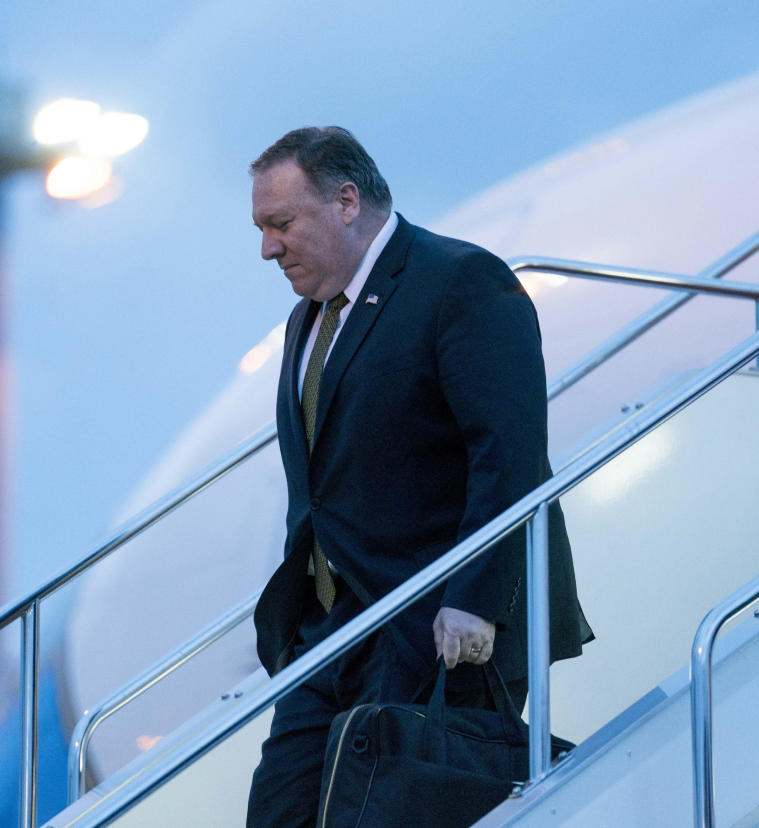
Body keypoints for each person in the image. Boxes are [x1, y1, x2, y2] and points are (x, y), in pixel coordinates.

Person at [246, 126, 592, 827]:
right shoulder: (306, 321)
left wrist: (475, 599)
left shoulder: (459, 281)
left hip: (438, 627)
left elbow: (509, 453)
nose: (268, 248)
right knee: (279, 809)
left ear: (346, 201)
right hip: (335, 629)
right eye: (262, 229)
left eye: (281, 224)